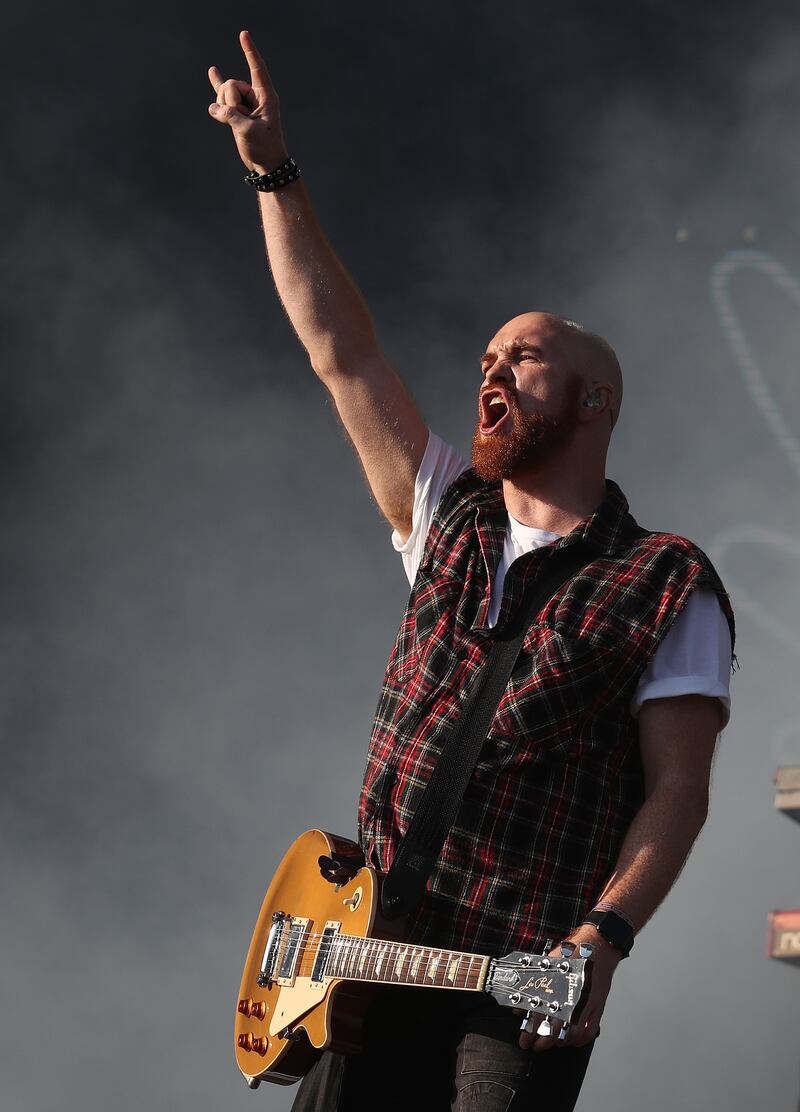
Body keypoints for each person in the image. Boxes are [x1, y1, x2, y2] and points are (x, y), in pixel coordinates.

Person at [208, 31, 735, 1112]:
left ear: (595, 401)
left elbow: (677, 792)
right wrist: (271, 169)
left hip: (511, 984)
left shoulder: (665, 580)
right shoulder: (445, 513)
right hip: (359, 953)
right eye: (485, 359)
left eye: (523, 358)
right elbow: (340, 350)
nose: (489, 372)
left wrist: (602, 935)